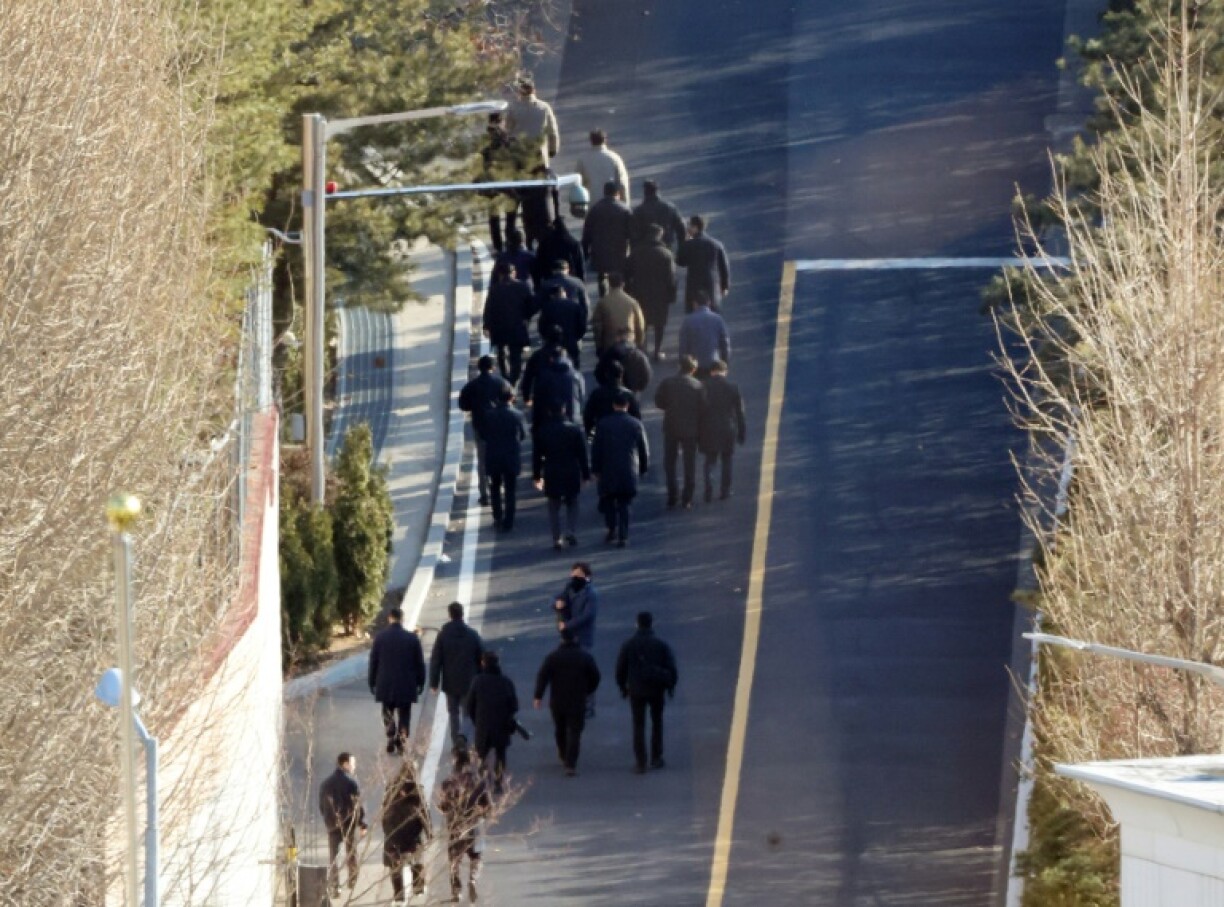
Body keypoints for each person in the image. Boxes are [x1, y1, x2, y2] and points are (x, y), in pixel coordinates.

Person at [615, 611, 678, 773]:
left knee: (638, 724)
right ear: (652, 624)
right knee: (657, 722)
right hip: (656, 688)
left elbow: (620, 669)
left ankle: (640, 761)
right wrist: (671, 687)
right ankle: (656, 757)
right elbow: (671, 667)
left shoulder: (628, 644)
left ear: (637, 624)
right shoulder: (661, 644)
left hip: (636, 689)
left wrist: (623, 687)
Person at [533, 627, 601, 776]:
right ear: (575, 639)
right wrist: (588, 690)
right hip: (577, 699)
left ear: (561, 639)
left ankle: (563, 753)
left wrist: (538, 696)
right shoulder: (585, 657)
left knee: (560, 728)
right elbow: (595, 676)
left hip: (558, 700)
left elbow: (542, 676)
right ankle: (571, 763)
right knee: (575, 731)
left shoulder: (553, 657)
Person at [591, 394, 648, 547]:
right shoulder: (635, 424)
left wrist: (595, 468)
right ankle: (623, 535)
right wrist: (643, 467)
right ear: (627, 406)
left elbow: (596, 448)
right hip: (628, 468)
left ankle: (611, 528)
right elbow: (643, 449)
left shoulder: (603, 424)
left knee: (609, 499)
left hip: (608, 468)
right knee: (625, 503)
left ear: (614, 405)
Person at [369, 607, 427, 754]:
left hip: (386, 683)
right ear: (402, 619)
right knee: (405, 713)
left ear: (390, 618)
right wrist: (421, 681)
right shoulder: (412, 639)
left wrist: (372, 681)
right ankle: (402, 739)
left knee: (387, 711)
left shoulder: (380, 638)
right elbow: (419, 663)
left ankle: (390, 735)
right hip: (406, 684)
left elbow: (373, 662)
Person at [439, 744, 491, 903]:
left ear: (455, 761)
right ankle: (473, 879)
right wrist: (484, 814)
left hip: (456, 825)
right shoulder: (478, 781)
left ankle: (456, 891)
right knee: (477, 856)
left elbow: (445, 806)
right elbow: (488, 805)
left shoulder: (448, 782)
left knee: (454, 859)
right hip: (475, 823)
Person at [532, 409, 590, 549]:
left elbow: (537, 457)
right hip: (571, 469)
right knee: (572, 502)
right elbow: (582, 454)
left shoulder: (543, 431)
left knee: (553, 505)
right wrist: (586, 474)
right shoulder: (574, 430)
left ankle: (556, 538)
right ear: (564, 411)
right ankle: (570, 530)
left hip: (552, 470)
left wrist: (537, 476)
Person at [458, 355, 512, 506]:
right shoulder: (501, 383)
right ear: (493, 367)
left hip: (480, 426)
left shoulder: (471, 386)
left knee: (482, 460)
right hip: (499, 426)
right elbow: (509, 398)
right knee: (500, 456)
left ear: (478, 368)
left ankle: (484, 493)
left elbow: (463, 404)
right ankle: (499, 487)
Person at [654, 355, 706, 509]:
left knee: (670, 462)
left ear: (679, 366)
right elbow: (704, 408)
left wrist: (670, 408)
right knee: (689, 463)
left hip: (671, 427)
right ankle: (687, 498)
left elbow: (658, 401)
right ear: (693, 369)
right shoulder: (698, 386)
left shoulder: (667, 383)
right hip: (690, 429)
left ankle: (672, 495)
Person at [429, 602, 484, 746]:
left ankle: (456, 742)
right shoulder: (472, 634)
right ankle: (465, 738)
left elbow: (436, 660)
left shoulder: (443, 636)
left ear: (449, 615)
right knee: (468, 712)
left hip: (450, 681)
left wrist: (434, 682)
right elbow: (482, 657)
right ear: (462, 614)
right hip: (469, 681)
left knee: (453, 713)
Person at [465, 650, 519, 784]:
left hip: (483, 725)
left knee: (482, 755)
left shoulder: (478, 681)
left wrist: (476, 720)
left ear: (483, 663)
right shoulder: (506, 682)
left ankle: (483, 782)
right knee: (500, 755)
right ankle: (499, 782)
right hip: (501, 724)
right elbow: (514, 705)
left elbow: (470, 705)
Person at [626, 223, 678, 361]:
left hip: (639, 293)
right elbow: (671, 278)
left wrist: (628, 290)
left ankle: (642, 349)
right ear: (659, 236)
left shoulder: (636, 252)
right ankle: (657, 350)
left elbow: (626, 272)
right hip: (660, 295)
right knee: (659, 324)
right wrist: (671, 295)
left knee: (642, 322)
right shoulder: (666, 254)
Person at [319, 752, 367, 897]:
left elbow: (322, 806)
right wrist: (362, 823)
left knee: (333, 856)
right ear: (345, 764)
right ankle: (352, 879)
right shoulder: (351, 783)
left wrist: (328, 818)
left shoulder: (325, 783)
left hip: (332, 824)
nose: (354, 767)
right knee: (351, 852)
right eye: (352, 763)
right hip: (348, 823)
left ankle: (335, 886)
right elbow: (358, 805)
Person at [382, 760, 430, 904]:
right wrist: (429, 831)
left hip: (393, 830)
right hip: (412, 831)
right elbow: (424, 813)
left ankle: (399, 893)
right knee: (417, 859)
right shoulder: (417, 790)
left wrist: (386, 830)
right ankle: (418, 886)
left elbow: (384, 811)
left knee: (395, 864)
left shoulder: (391, 788)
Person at [700, 359, 747, 501]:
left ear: (712, 371)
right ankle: (725, 491)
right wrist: (741, 433)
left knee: (710, 461)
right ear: (725, 372)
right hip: (728, 429)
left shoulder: (703, 386)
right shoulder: (733, 387)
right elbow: (740, 413)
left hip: (709, 429)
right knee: (727, 460)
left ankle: (708, 489)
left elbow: (699, 410)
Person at [481, 387, 526, 531]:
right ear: (511, 398)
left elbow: (483, 434)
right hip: (511, 455)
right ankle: (509, 521)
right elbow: (523, 434)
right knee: (510, 489)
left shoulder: (489, 415)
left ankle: (497, 516)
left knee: (494, 486)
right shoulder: (517, 415)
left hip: (493, 454)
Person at [482, 263, 534, 385]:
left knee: (501, 352)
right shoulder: (522, 287)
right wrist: (526, 317)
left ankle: (505, 377)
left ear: (500, 275)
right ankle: (514, 380)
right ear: (514, 273)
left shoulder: (495, 289)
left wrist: (486, 325)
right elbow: (531, 306)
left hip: (499, 327)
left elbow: (489, 308)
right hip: (517, 326)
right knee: (516, 355)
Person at [581, 181, 633, 296]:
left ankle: (604, 297)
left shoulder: (595, 209)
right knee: (622, 277)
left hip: (600, 253)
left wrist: (584, 252)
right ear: (617, 193)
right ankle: (621, 298)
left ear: (604, 193)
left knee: (602, 276)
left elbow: (587, 233)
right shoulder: (625, 210)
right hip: (619, 252)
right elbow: (632, 233)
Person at [478, 112, 519, 254]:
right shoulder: (508, 139)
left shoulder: (485, 141)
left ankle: (498, 247)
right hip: (508, 181)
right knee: (510, 217)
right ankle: (511, 242)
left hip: (492, 183)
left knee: (494, 217)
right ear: (502, 122)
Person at [677, 215, 730, 312]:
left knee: (693, 313)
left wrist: (684, 243)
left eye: (689, 226)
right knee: (713, 312)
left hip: (694, 283)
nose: (688, 229)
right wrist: (725, 285)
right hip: (711, 284)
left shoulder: (689, 245)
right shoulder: (716, 244)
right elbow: (724, 267)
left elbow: (680, 261)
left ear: (695, 227)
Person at [505, 77, 560, 169]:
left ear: (519, 91)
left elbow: (507, 130)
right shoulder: (544, 107)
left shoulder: (513, 108)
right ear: (533, 90)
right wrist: (552, 150)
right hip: (539, 155)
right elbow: (553, 131)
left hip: (520, 155)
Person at [530, 342, 585, 431]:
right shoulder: (576, 375)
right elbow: (581, 395)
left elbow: (539, 398)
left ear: (551, 359)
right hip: (573, 416)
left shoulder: (545, 376)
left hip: (551, 418)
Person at [583, 359, 642, 439]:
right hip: (623, 435)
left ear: (607, 375)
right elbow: (637, 418)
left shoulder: (597, 394)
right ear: (621, 375)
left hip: (604, 434)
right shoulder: (628, 395)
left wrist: (591, 434)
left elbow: (588, 416)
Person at [590, 273, 645, 357]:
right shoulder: (632, 302)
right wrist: (639, 343)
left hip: (610, 345)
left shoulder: (602, 302)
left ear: (609, 284)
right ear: (623, 284)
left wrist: (599, 346)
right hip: (629, 342)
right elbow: (640, 325)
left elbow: (597, 327)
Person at [678, 291, 731, 377]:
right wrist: (725, 363)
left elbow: (683, 345)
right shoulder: (718, 320)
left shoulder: (688, 321)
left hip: (694, 365)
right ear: (709, 303)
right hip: (713, 364)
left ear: (695, 304)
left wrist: (682, 363)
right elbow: (725, 344)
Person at [537, 282, 587, 370]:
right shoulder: (575, 306)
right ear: (564, 293)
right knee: (574, 366)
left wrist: (547, 338)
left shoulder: (547, 308)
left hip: (554, 344)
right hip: (571, 341)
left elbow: (542, 327)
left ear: (552, 295)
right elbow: (582, 325)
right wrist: (577, 337)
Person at [575, 129, 631, 206]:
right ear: (605, 140)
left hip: (592, 206)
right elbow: (622, 184)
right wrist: (625, 206)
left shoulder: (582, 160)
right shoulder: (614, 158)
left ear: (591, 141)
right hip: (612, 205)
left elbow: (577, 183)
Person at [631, 179, 686, 251]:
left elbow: (633, 234)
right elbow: (681, 228)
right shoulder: (670, 208)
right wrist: (681, 247)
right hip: (667, 248)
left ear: (645, 192)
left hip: (645, 251)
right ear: (657, 191)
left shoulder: (638, 211)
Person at [594, 327, 652, 396]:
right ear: (631, 338)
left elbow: (598, 372)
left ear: (617, 337)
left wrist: (607, 386)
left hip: (612, 392)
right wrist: (638, 388)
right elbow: (646, 374)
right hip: (633, 392)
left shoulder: (609, 353)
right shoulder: (639, 355)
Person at [532, 217, 586, 285]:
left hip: (550, 279)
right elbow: (580, 266)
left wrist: (537, 283)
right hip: (571, 279)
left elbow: (538, 264)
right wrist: (582, 284)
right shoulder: (574, 243)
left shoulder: (546, 243)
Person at [535, 258, 590, 324]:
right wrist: (584, 318)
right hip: (573, 316)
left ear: (553, 271)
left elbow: (539, 303)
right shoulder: (577, 282)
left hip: (553, 318)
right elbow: (585, 303)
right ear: (567, 269)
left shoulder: (546, 284)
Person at [519, 162, 557, 250]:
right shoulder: (549, 174)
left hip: (530, 217)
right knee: (548, 245)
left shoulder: (525, 176)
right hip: (546, 217)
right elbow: (555, 195)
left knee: (530, 243)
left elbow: (519, 193)